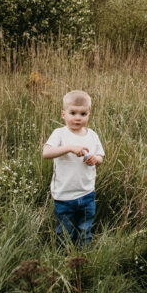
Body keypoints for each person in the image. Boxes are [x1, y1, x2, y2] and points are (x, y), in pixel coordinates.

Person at [42, 90, 105, 247]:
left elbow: (100, 157)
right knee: (65, 230)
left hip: (87, 193)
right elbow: (46, 153)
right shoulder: (60, 134)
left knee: (85, 228)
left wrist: (95, 159)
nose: (78, 118)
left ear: (88, 115)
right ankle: (64, 254)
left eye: (83, 114)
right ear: (63, 115)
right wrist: (69, 148)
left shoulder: (92, 135)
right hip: (64, 195)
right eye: (73, 113)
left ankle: (83, 253)